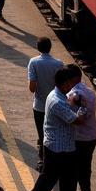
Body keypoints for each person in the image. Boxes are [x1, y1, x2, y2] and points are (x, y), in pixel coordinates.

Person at [25, 68, 87, 191]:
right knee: (68, 179)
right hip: (61, 147)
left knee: (50, 176)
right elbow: (77, 121)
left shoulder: (56, 95)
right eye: (70, 84)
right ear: (64, 83)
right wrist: (84, 108)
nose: (72, 87)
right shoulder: (58, 102)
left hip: (54, 144)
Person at [28, 37, 64, 171]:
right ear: (50, 48)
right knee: (55, 133)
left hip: (39, 106)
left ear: (38, 48)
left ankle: (43, 161)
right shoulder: (59, 64)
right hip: (56, 105)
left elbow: (32, 87)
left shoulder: (34, 62)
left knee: (42, 134)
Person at [66, 64, 96, 191]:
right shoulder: (90, 91)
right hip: (91, 135)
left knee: (78, 168)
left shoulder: (74, 94)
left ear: (74, 79)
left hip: (80, 137)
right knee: (86, 167)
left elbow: (71, 107)